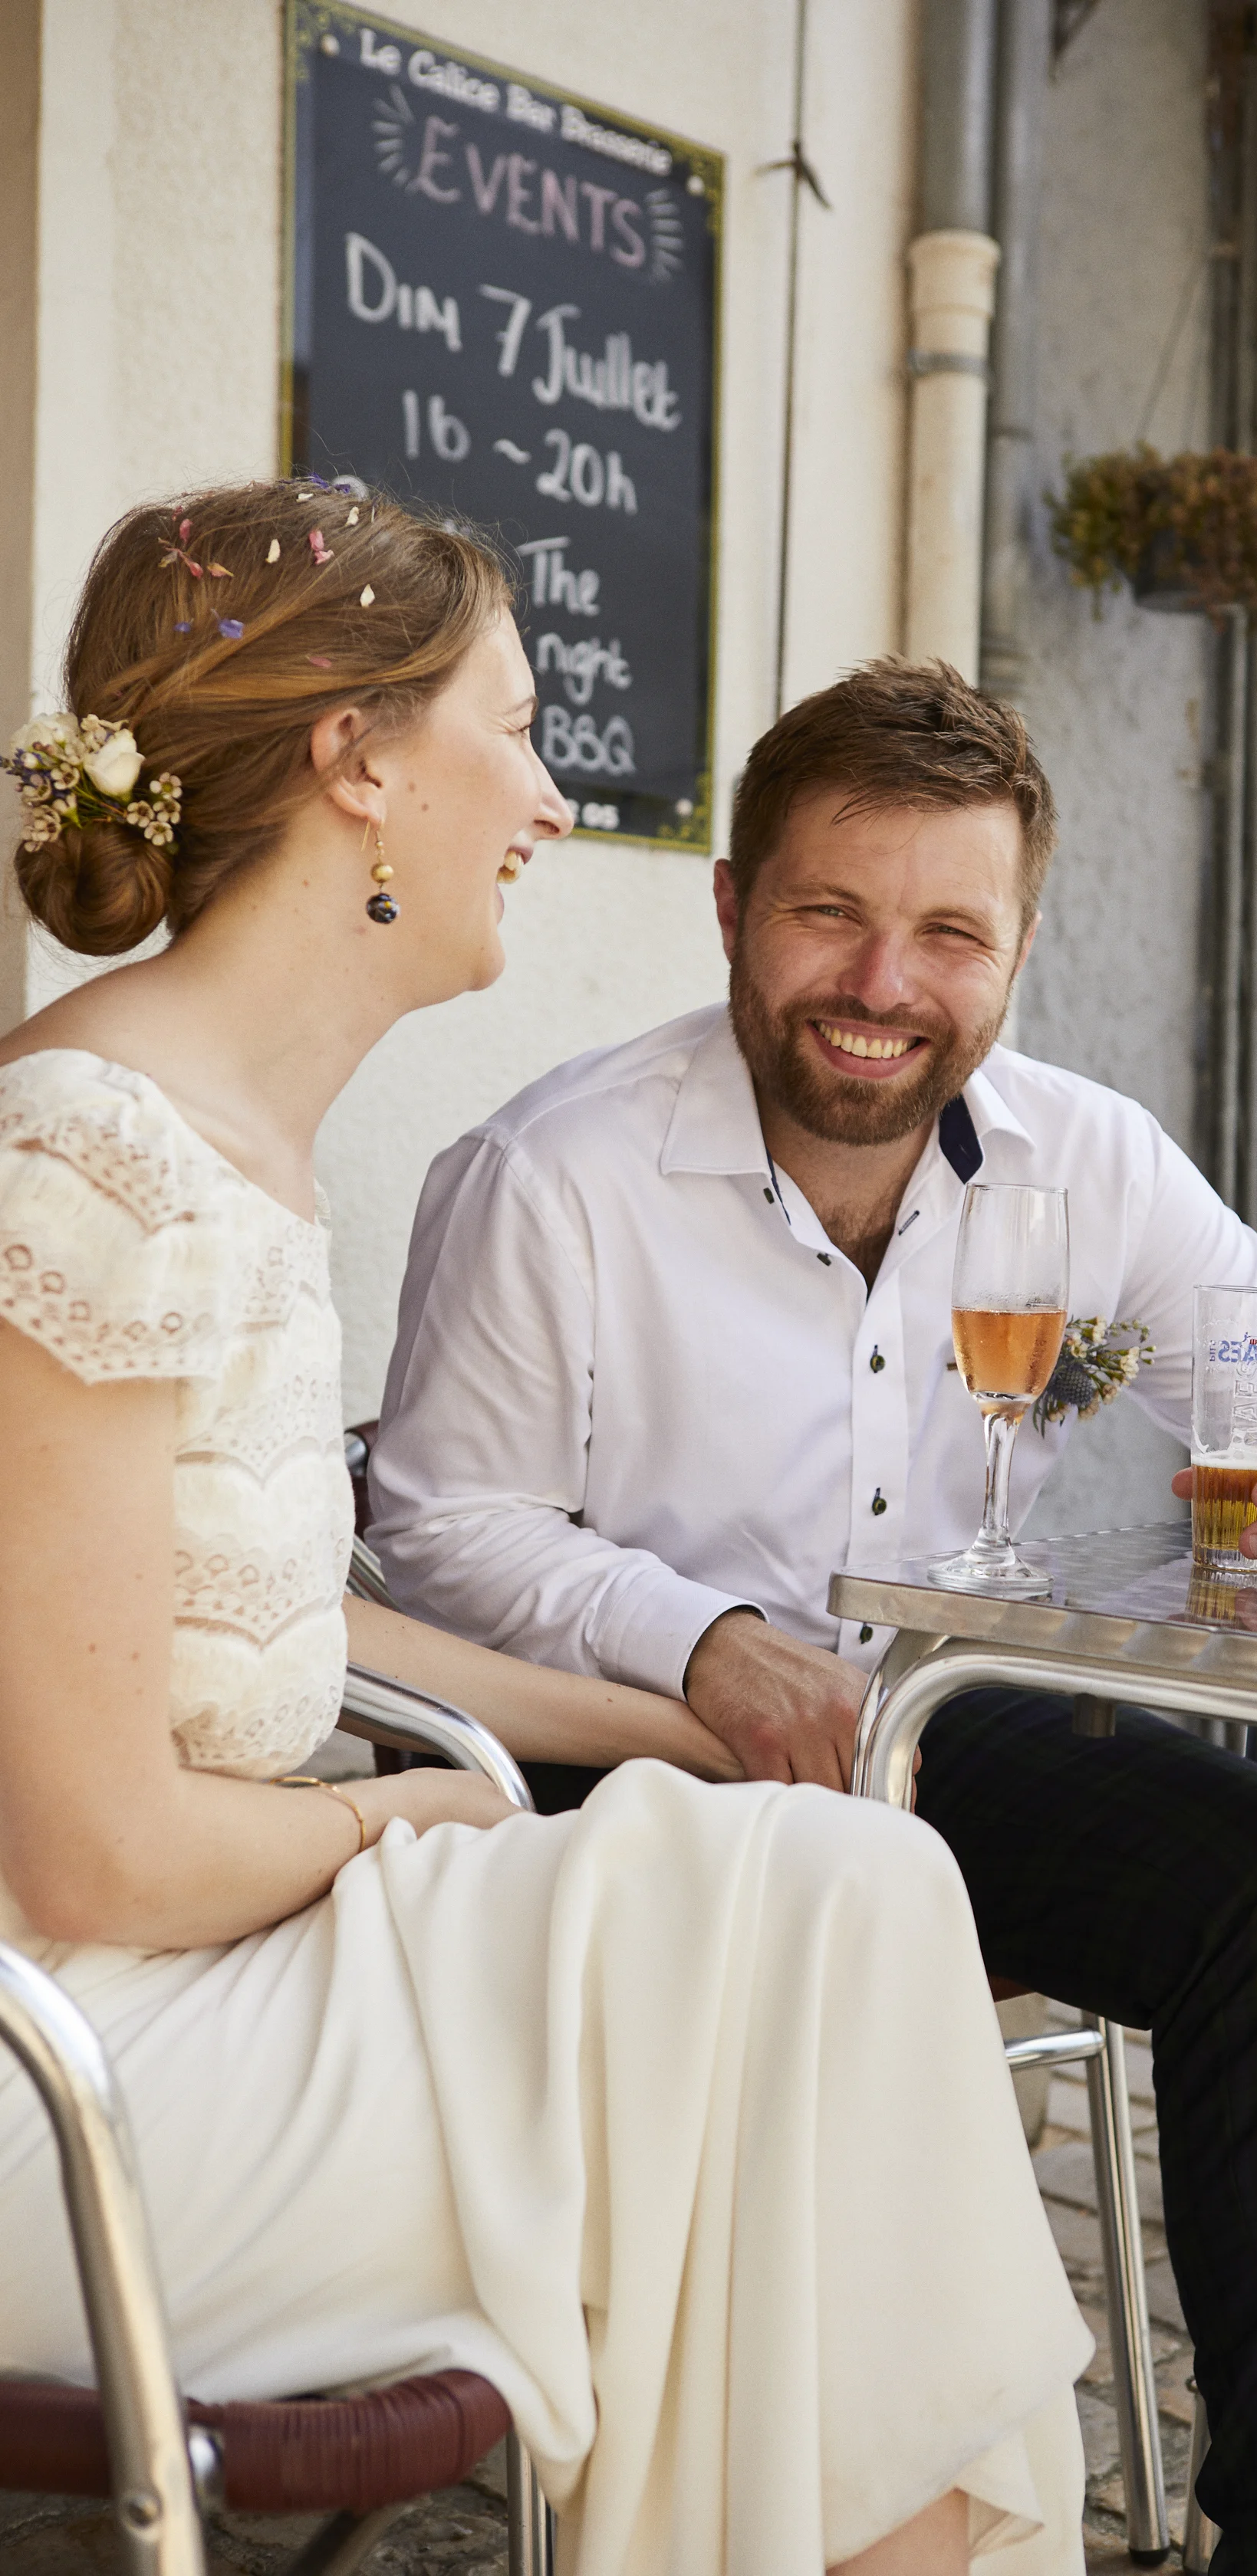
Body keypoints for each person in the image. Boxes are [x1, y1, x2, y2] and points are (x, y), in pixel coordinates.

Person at [0, 491, 1095, 2576]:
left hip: (212, 2001)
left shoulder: (221, 1145)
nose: (550, 797)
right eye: (514, 724)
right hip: (76, 2077)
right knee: (814, 1951)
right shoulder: (86, 1157)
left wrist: (674, 1728)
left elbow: (281, 1616)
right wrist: (400, 1833)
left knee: (834, 1887)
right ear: (360, 763)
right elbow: (96, 1853)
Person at [370, 659, 1257, 2576]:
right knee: (870, 1940)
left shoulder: (1081, 1153)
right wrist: (689, 1633)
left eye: (948, 931)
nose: (883, 986)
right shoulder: (553, 1175)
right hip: (620, 1790)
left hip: (919, 1743)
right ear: (731, 907)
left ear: (1017, 948)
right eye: (829, 913)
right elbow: (438, 1529)